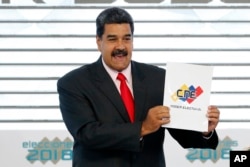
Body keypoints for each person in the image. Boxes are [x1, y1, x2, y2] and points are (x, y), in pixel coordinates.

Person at [57, 7, 220, 167]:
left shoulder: (159, 78)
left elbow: (183, 135)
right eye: (113, 39)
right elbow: (88, 134)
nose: (121, 46)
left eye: (126, 38)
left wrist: (204, 129)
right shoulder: (73, 83)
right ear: (99, 42)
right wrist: (143, 127)